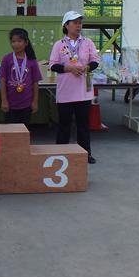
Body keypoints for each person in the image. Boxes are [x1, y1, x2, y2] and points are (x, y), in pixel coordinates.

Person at [49, 11, 100, 164]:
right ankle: (60, 153)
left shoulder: (88, 42)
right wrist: (69, 69)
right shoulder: (59, 44)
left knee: (83, 125)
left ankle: (85, 154)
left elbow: (95, 61)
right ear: (66, 25)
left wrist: (86, 68)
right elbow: (53, 65)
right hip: (65, 92)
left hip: (83, 92)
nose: (78, 25)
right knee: (64, 125)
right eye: (75, 22)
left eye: (80, 22)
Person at [0, 28, 42, 125]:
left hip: (26, 104)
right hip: (10, 104)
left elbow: (35, 82)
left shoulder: (31, 61)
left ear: (26, 43)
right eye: (13, 41)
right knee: (10, 132)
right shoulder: (7, 59)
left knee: (24, 132)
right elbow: (2, 80)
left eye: (19, 41)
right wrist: (4, 100)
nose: (16, 44)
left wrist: (35, 102)